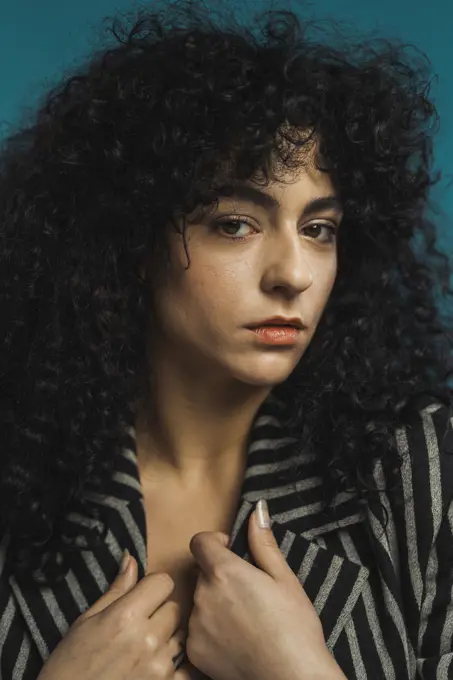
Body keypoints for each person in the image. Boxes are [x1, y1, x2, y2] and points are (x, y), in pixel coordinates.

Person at [0, 0, 452, 678]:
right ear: (135, 241)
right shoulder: (17, 472)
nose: (292, 274)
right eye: (236, 224)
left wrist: (299, 672)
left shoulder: (421, 471)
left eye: (318, 229)